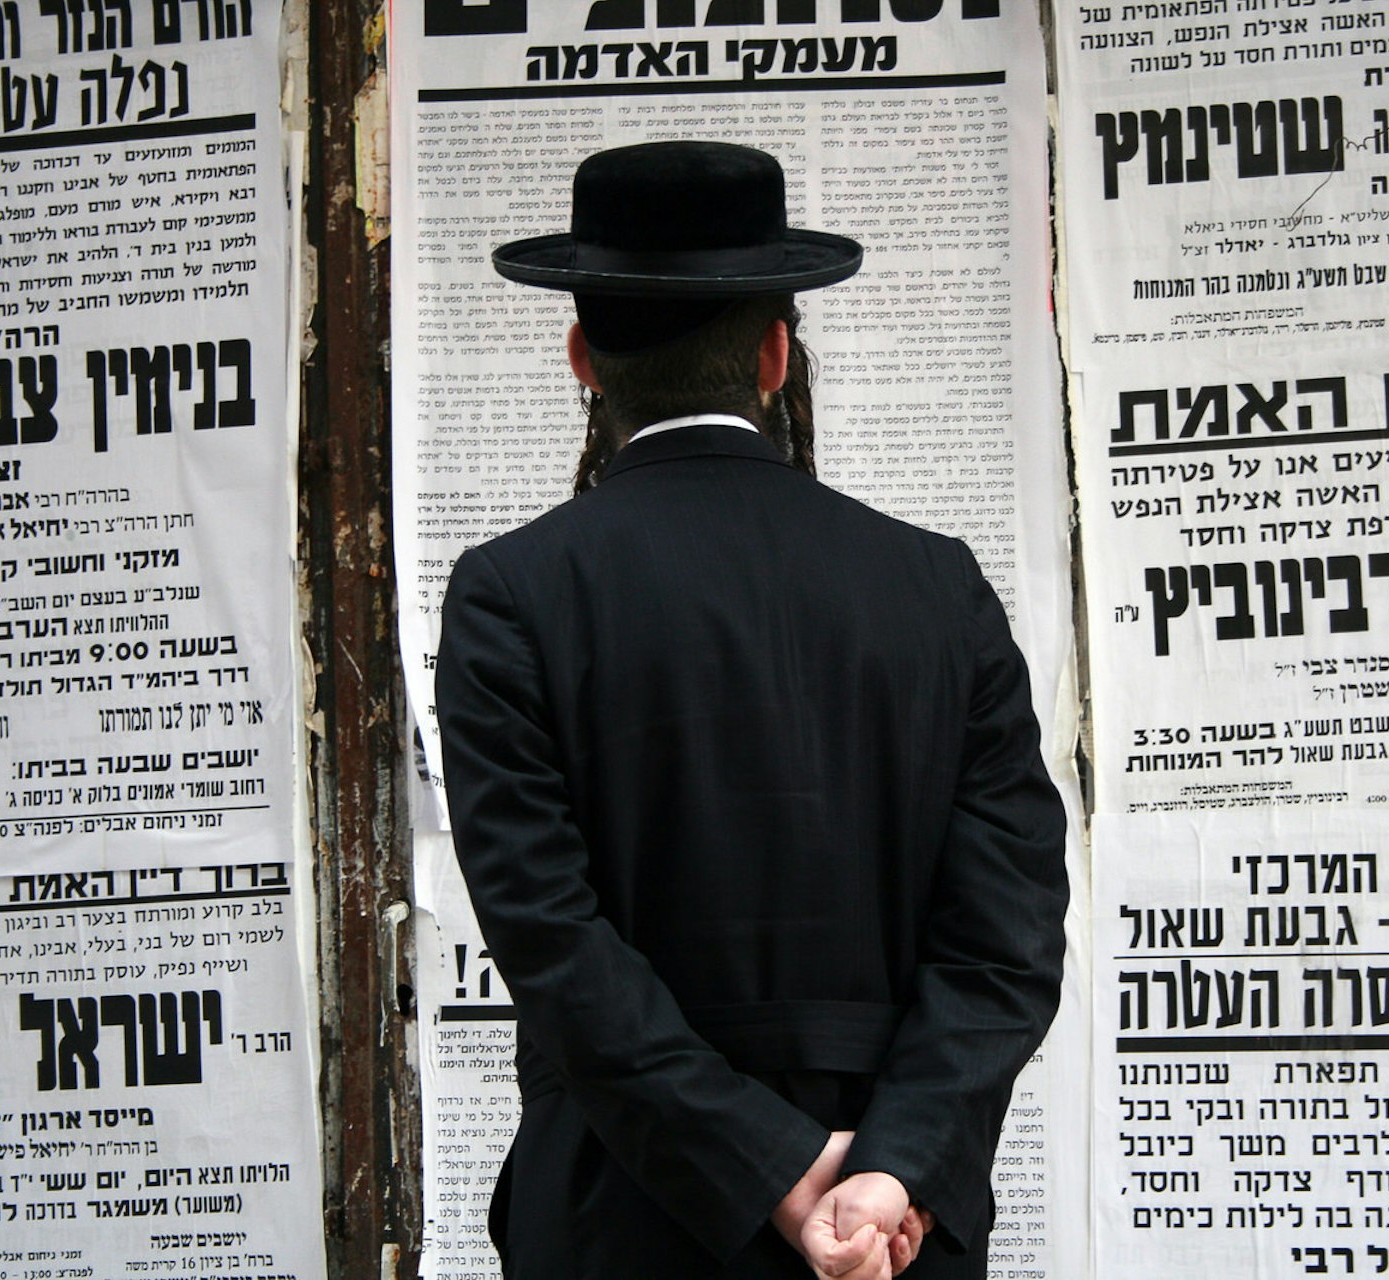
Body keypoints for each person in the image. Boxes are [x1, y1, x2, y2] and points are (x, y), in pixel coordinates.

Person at [436, 140, 1068, 1280]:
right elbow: (1008, 934)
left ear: (583, 357)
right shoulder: (938, 587)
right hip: (889, 1237)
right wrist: (886, 1168)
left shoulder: (511, 593)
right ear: (776, 355)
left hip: (619, 1222)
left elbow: (554, 944)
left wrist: (775, 1167)